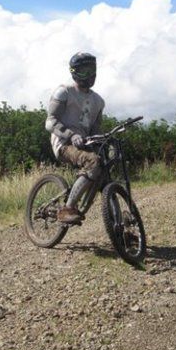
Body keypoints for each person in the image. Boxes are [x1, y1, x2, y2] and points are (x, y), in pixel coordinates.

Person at [45, 52, 105, 223]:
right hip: (63, 143)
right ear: (75, 72)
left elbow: (95, 129)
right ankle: (68, 208)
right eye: (85, 70)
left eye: (92, 69)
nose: (91, 75)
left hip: (84, 144)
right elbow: (50, 122)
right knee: (92, 161)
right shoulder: (64, 92)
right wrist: (71, 135)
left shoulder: (98, 101)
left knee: (103, 165)